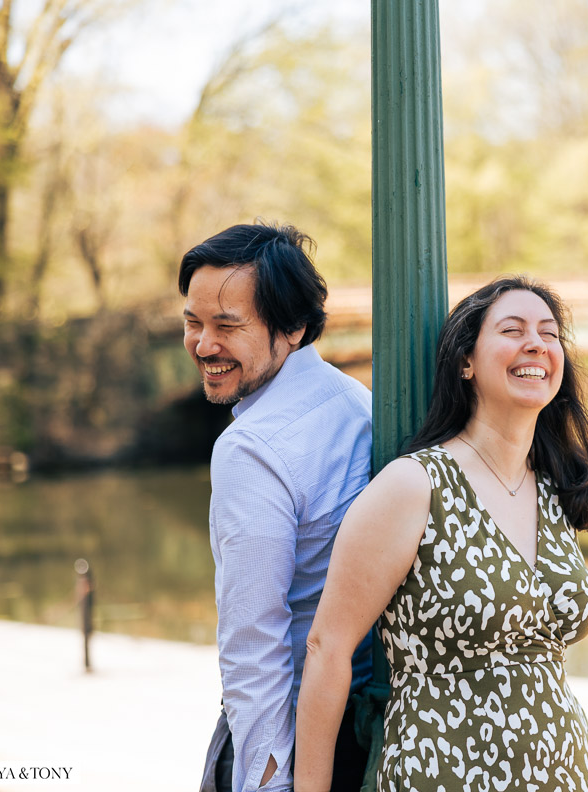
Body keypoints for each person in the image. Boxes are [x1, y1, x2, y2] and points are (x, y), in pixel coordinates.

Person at [295, 276, 588, 792]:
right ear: (466, 361)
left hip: (568, 772)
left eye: (549, 334)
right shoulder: (414, 485)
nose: (536, 343)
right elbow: (326, 648)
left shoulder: (556, 488)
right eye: (512, 329)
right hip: (445, 773)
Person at [180, 222, 375, 792]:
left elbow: (254, 642)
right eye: (193, 322)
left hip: (289, 740)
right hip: (361, 726)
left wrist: (267, 781)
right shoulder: (355, 402)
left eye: (227, 326)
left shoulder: (251, 449)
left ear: (292, 327)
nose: (203, 345)